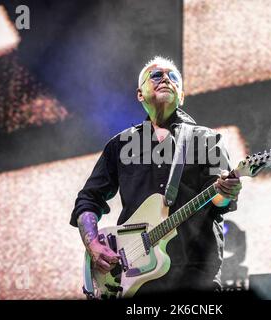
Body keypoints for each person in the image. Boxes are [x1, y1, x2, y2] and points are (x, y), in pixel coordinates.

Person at [70, 56, 242, 296]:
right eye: (156, 75)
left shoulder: (208, 140)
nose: (166, 80)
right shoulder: (120, 144)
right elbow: (88, 199)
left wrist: (226, 192)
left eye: (173, 77)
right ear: (140, 94)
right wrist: (93, 244)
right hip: (131, 277)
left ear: (181, 96)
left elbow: (219, 204)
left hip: (194, 276)